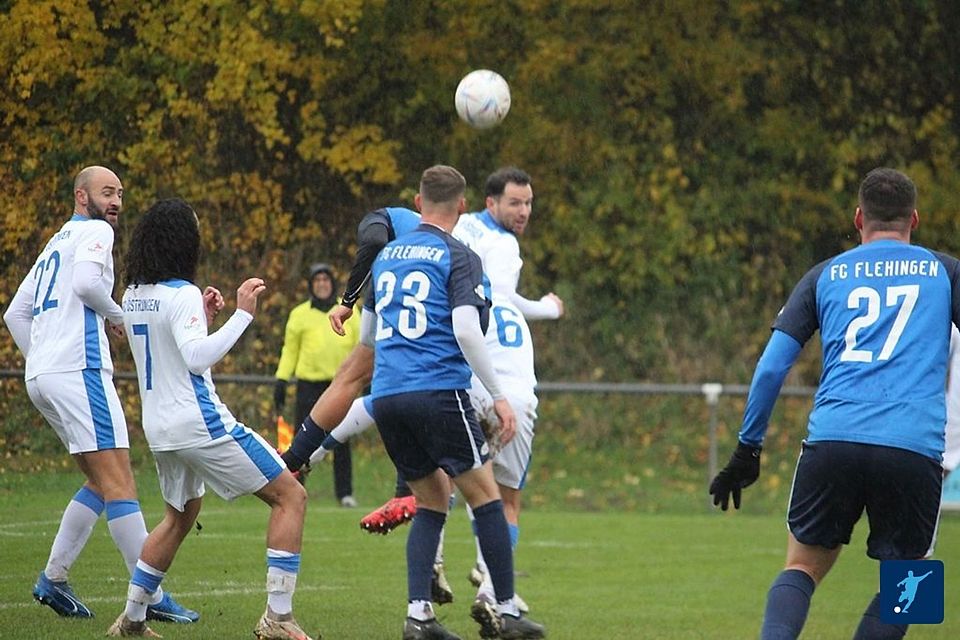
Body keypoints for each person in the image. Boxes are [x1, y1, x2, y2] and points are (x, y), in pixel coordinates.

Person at [709, 168, 960, 640]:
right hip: (912, 445)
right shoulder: (946, 272)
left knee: (802, 566)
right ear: (914, 219)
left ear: (859, 218)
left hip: (833, 440)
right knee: (914, 579)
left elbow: (771, 367)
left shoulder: (826, 274)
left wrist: (748, 448)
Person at [108, 198, 313, 640]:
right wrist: (243, 315)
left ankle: (132, 619)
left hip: (159, 429)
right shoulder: (181, 292)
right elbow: (196, 359)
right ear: (183, 240)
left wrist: (202, 318)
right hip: (199, 423)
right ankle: (277, 618)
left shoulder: (134, 294)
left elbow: (169, 349)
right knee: (290, 495)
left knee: (178, 518)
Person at [1, 166, 196, 624]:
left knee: (100, 481)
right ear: (81, 196)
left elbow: (14, 314)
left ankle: (54, 578)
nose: (116, 202)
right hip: (79, 370)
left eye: (120, 194)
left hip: (44, 376)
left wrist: (42, 359)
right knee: (121, 482)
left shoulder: (56, 241)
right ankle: (150, 595)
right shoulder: (97, 233)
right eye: (107, 192)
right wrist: (117, 316)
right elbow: (88, 285)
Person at [367, 164, 544, 640]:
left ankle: (419, 617)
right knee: (487, 497)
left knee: (430, 502)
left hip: (386, 394)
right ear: (463, 206)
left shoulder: (386, 256)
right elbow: (466, 329)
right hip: (437, 391)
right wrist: (499, 395)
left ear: (418, 202)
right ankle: (505, 609)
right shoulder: (460, 254)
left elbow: (368, 335)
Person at [452, 167, 563, 609]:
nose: (524, 211)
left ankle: (448, 572)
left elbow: (496, 299)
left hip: (464, 382)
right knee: (506, 498)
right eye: (515, 203)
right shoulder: (505, 249)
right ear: (491, 202)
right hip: (508, 392)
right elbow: (503, 300)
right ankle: (494, 589)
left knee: (466, 485)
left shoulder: (461, 227)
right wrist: (547, 309)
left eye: (529, 203)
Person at [274, 262, 360, 506]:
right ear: (311, 285)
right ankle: (294, 487)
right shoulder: (299, 314)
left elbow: (361, 346)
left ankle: (345, 493)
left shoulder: (349, 312)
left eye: (326, 280)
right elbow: (290, 350)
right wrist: (281, 379)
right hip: (308, 386)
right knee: (302, 439)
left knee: (341, 439)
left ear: (332, 283)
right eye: (317, 280)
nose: (322, 284)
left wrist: (363, 378)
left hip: (339, 385)